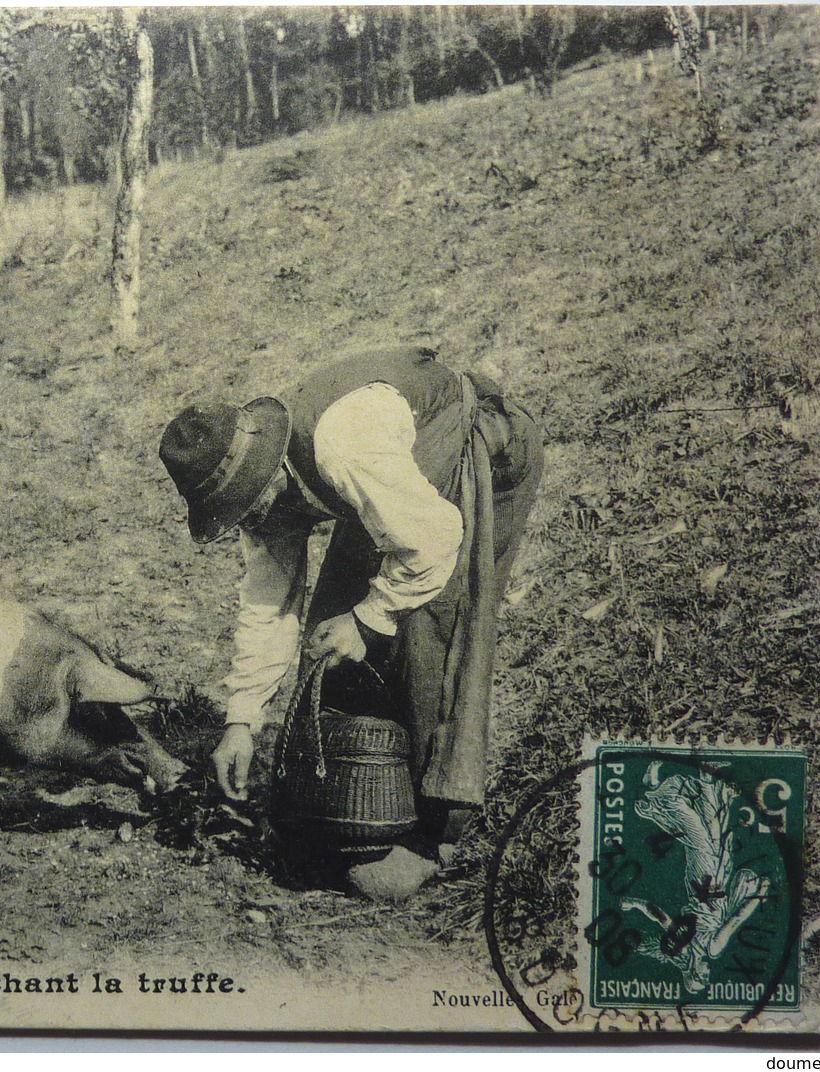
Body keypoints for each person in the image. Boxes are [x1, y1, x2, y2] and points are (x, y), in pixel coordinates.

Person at [158, 345, 543, 900]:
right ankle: (348, 806)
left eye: (250, 508)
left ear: (269, 477)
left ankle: (434, 833)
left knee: (429, 627)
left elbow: (434, 540)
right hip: (402, 486)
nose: (254, 524)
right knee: (329, 631)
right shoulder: (267, 491)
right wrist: (241, 719)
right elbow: (269, 603)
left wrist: (367, 620)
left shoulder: (344, 446)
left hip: (477, 449)